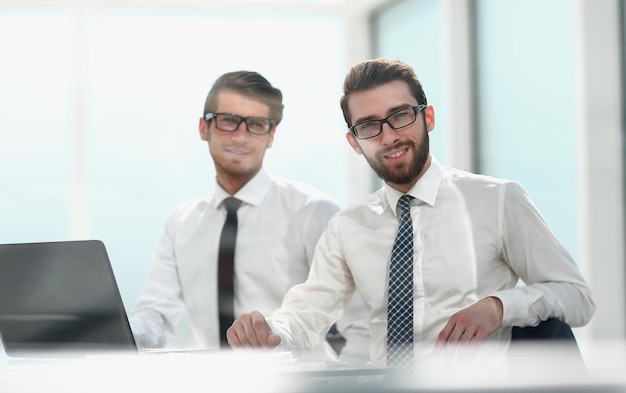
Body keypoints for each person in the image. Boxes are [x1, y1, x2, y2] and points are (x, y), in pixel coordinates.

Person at [226, 58, 596, 370]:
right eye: (369, 125)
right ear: (355, 142)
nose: (388, 137)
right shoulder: (348, 226)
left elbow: (576, 296)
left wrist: (498, 307)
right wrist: (269, 330)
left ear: (428, 117)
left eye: (400, 115)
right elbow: (307, 312)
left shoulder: (498, 200)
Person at [129, 70, 369, 363]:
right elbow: (155, 318)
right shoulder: (181, 223)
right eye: (228, 120)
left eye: (256, 124)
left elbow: (360, 324)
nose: (241, 137)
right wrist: (102, 331)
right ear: (204, 128)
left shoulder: (314, 211)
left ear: (271, 136)